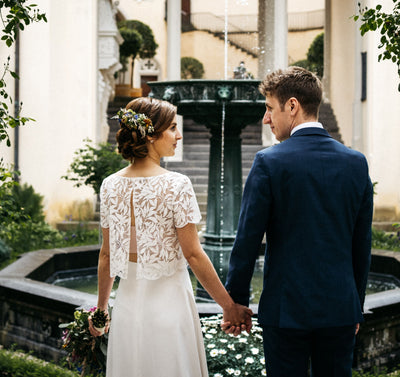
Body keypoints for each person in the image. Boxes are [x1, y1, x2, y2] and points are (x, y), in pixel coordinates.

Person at [223, 67, 373, 377]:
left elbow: (247, 240)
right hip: (340, 310)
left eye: (269, 108)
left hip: (285, 311)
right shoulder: (356, 163)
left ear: (292, 106)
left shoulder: (269, 162)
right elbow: (362, 244)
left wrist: (236, 301)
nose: (266, 119)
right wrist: (354, 305)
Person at [88, 97, 252, 377]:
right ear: (151, 134)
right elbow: (193, 254)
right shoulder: (176, 184)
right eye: (173, 128)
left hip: (127, 310)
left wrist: (102, 311)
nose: (178, 136)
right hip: (169, 309)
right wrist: (229, 306)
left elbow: (106, 255)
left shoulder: (110, 185)